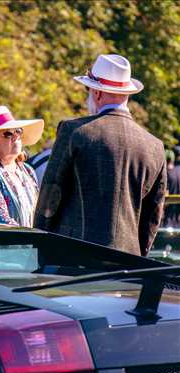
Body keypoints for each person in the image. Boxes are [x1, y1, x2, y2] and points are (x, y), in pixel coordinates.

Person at [34, 54, 167, 256]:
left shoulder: (73, 132)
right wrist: (138, 256)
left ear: (96, 93)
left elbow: (50, 197)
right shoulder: (155, 147)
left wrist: (41, 245)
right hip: (127, 265)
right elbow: (152, 217)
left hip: (72, 259)